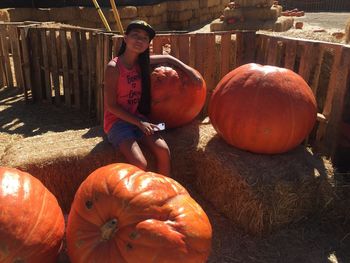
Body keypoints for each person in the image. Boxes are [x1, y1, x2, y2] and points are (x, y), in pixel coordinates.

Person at [104, 20, 201, 177]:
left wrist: (189, 71)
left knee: (163, 150)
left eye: (144, 38)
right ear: (125, 38)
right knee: (139, 163)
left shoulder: (141, 63)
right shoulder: (114, 68)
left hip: (139, 120)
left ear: (148, 43)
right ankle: (139, 199)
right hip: (117, 123)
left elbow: (168, 59)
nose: (140, 40)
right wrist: (140, 123)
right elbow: (111, 106)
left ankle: (165, 191)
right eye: (135, 35)